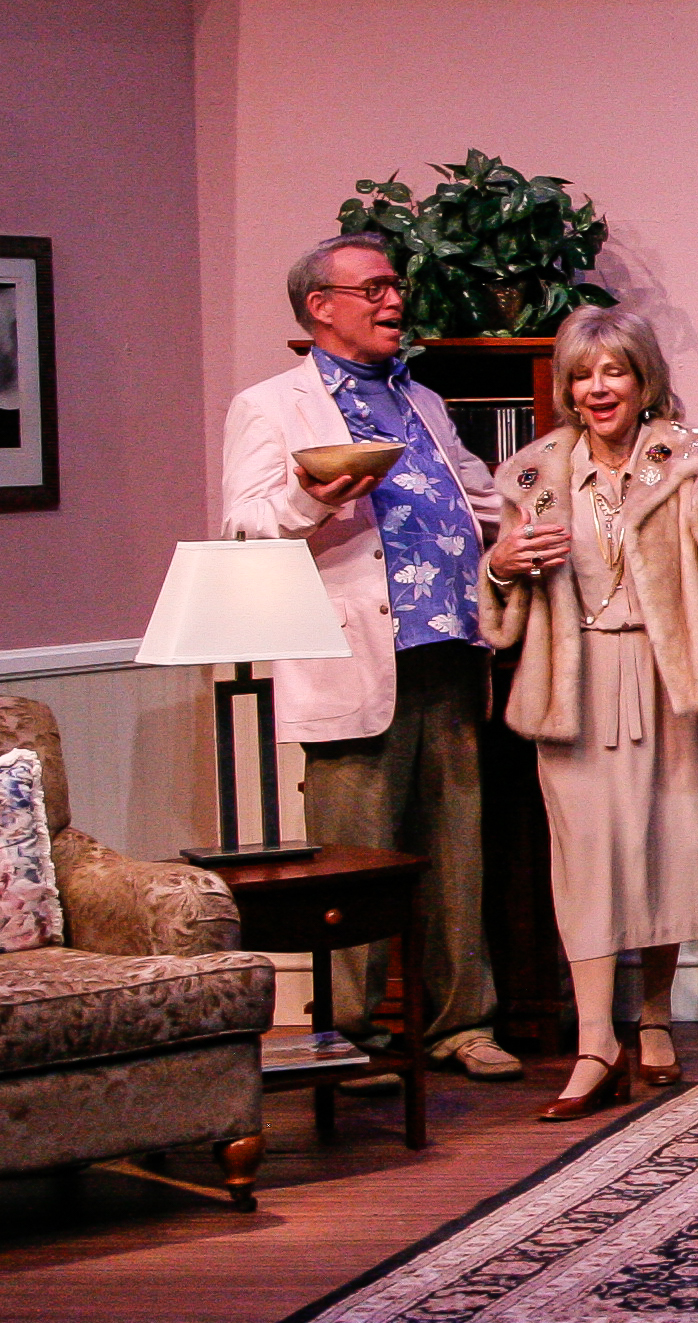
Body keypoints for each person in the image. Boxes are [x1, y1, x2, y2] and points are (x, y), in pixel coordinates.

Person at [219, 232, 520, 1085]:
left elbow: (482, 497)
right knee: (354, 860)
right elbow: (242, 527)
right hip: (356, 658)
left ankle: (464, 1023)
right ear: (320, 306)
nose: (396, 301)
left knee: (458, 851)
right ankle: (346, 1030)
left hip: (448, 649)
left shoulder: (420, 398)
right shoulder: (271, 406)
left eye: (396, 287)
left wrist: (534, 524)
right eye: (376, 289)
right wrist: (308, 497)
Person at [478, 307, 698, 1120]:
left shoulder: (683, 454)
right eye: (582, 375)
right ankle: (594, 1042)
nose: (597, 388)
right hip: (572, 684)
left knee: (667, 845)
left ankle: (654, 1016)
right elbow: (502, 605)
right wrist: (500, 565)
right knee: (587, 860)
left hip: (666, 674)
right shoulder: (533, 473)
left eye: (613, 371)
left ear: (643, 380)